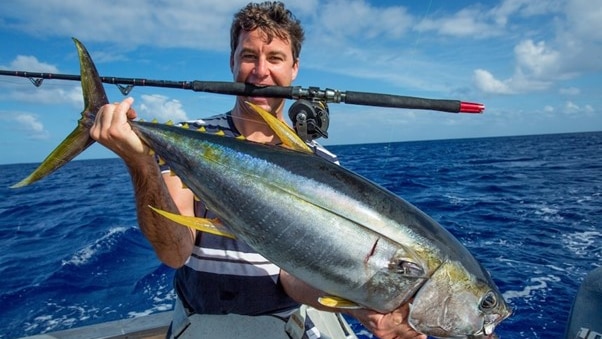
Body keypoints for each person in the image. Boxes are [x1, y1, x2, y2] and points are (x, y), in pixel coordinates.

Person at [90, 2, 426, 339]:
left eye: (275, 58)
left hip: (281, 326)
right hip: (198, 322)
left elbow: (291, 278)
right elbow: (174, 253)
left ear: (294, 68)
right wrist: (141, 163)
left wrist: (358, 308)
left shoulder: (322, 168)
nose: (260, 72)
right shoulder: (193, 139)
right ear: (232, 62)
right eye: (249, 56)